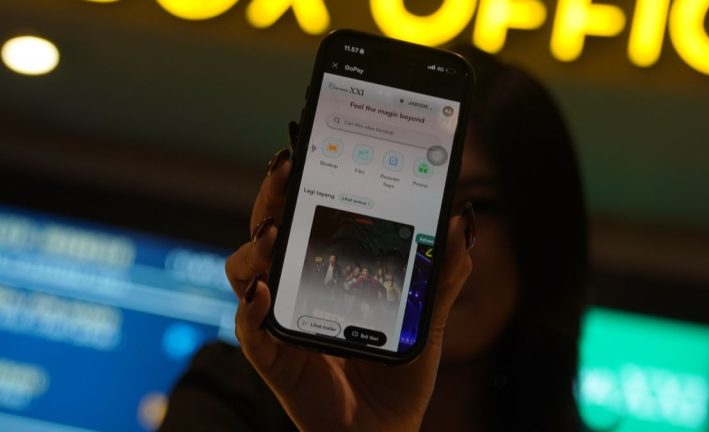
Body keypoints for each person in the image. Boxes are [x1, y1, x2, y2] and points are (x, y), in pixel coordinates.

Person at [159, 46, 587, 431]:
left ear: (544, 236)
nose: (438, 247)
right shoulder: (225, 397)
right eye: (415, 194)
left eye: (479, 208)